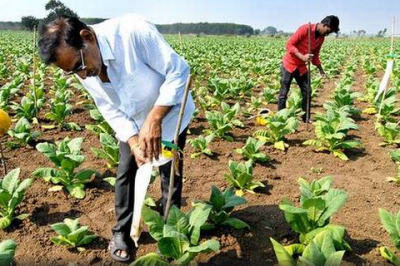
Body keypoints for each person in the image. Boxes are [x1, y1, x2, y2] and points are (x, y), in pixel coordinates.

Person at [38, 14, 195, 262]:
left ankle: (171, 233)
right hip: (132, 119)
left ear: (87, 38)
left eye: (79, 66)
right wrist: (133, 141)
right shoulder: (84, 67)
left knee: (170, 171)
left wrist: (154, 119)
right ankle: (122, 232)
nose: (81, 75)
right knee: (126, 170)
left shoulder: (133, 33)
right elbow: (108, 107)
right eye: (72, 73)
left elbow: (179, 72)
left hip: (170, 113)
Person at [277, 15, 340, 122]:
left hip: (301, 67)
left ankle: (305, 118)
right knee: (284, 92)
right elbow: (289, 45)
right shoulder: (305, 29)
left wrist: (321, 70)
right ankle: (280, 118)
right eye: (328, 31)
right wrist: (302, 56)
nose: (328, 34)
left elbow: (315, 55)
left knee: (307, 91)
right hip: (289, 64)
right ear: (324, 25)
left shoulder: (321, 38)